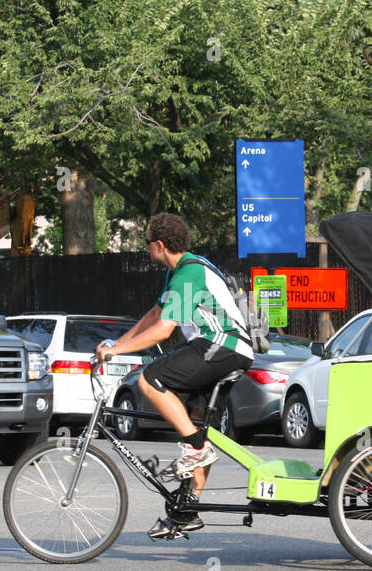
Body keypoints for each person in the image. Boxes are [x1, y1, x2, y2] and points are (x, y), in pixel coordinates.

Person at [96, 213, 254, 535]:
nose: (145, 248)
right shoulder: (180, 272)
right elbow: (155, 315)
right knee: (197, 426)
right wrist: (117, 342)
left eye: (146, 243)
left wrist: (116, 352)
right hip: (224, 348)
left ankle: (197, 449)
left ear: (159, 245)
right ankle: (187, 511)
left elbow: (163, 331)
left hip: (222, 344)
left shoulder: (190, 272)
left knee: (151, 379)